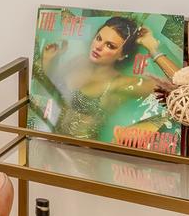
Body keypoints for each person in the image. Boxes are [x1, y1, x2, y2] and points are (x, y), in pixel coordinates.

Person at [34, 14, 179, 142]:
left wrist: (152, 47)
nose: (98, 47)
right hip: (51, 143)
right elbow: (48, 92)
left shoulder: (121, 84)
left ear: (122, 55)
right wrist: (48, 60)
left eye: (110, 46)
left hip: (83, 158)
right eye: (99, 39)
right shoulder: (78, 62)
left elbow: (182, 88)